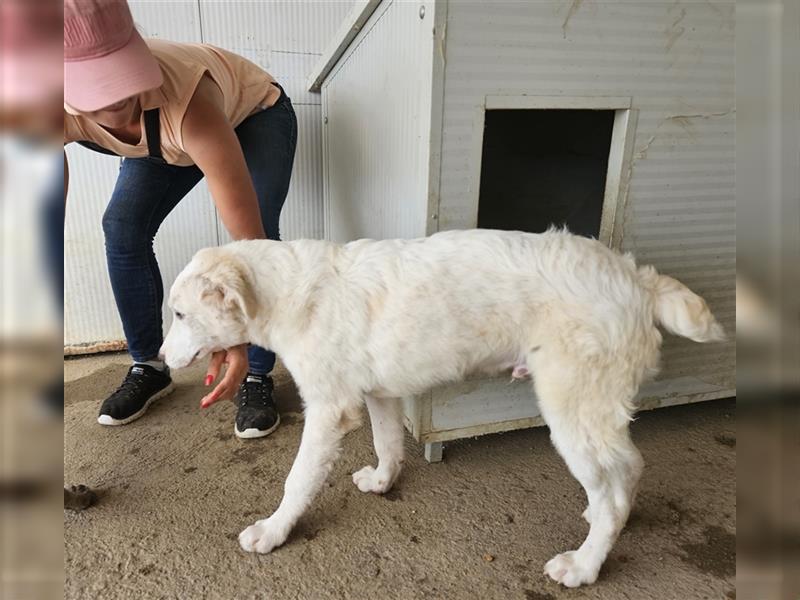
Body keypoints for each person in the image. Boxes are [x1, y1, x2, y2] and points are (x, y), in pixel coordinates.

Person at [63, 0, 297, 438]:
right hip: (161, 142)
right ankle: (148, 366)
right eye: (97, 95)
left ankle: (257, 374)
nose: (116, 110)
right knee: (122, 228)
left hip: (251, 114)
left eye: (122, 85)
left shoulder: (190, 104)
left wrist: (236, 339)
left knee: (258, 232)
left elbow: (248, 249)